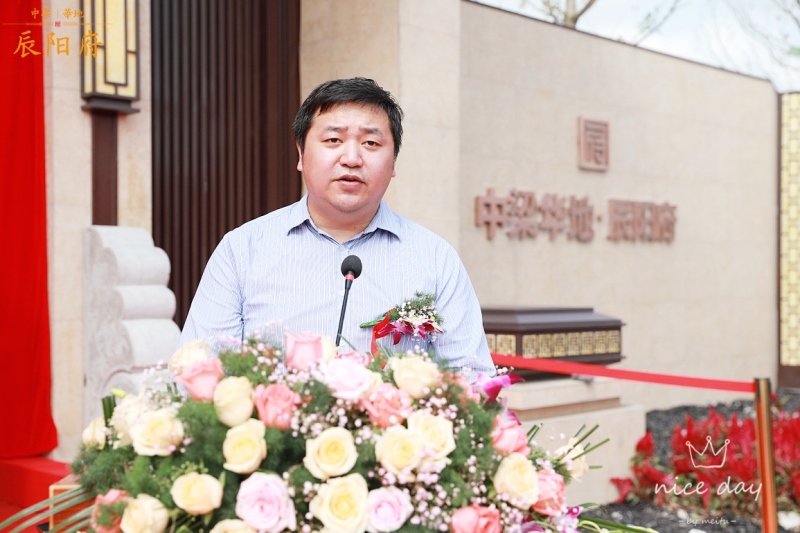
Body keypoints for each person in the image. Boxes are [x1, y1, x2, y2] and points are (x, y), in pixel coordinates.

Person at [179, 77, 495, 376]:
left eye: (371, 142)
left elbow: (473, 381)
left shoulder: (435, 259)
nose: (352, 158)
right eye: (333, 140)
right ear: (301, 153)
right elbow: (197, 373)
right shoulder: (242, 250)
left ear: (393, 162)